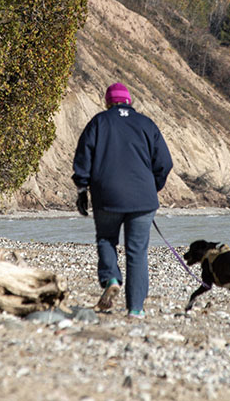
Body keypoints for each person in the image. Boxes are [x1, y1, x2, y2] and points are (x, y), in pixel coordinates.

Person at [72, 82, 173, 318]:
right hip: (143, 198)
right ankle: (135, 309)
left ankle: (111, 278)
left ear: (108, 102)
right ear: (129, 101)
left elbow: (83, 158)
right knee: (137, 252)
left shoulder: (99, 122)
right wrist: (153, 187)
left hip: (107, 195)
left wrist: (81, 189)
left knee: (106, 239)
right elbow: (164, 163)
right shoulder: (146, 124)